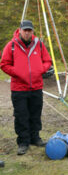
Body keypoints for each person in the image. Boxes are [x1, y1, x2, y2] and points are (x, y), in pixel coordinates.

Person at [0, 20, 52, 155]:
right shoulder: (11, 45)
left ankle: (35, 138)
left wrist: (41, 69)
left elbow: (48, 61)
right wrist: (17, 72)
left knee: (35, 114)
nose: (27, 33)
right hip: (19, 88)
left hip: (36, 87)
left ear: (32, 31)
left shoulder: (39, 45)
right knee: (21, 115)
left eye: (30, 30)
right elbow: (4, 64)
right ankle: (23, 142)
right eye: (25, 30)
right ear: (20, 30)